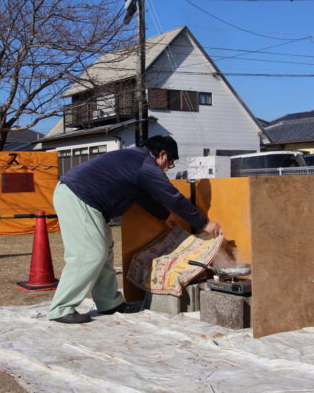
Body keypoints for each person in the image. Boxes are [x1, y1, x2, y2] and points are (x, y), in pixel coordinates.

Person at [48, 135, 221, 324]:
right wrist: (204, 223)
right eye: (169, 164)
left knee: (104, 253)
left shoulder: (136, 161)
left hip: (85, 200)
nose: (166, 170)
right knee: (89, 254)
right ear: (162, 155)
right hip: (78, 196)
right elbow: (172, 196)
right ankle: (61, 308)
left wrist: (164, 215)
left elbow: (142, 196)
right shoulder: (146, 165)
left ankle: (109, 303)